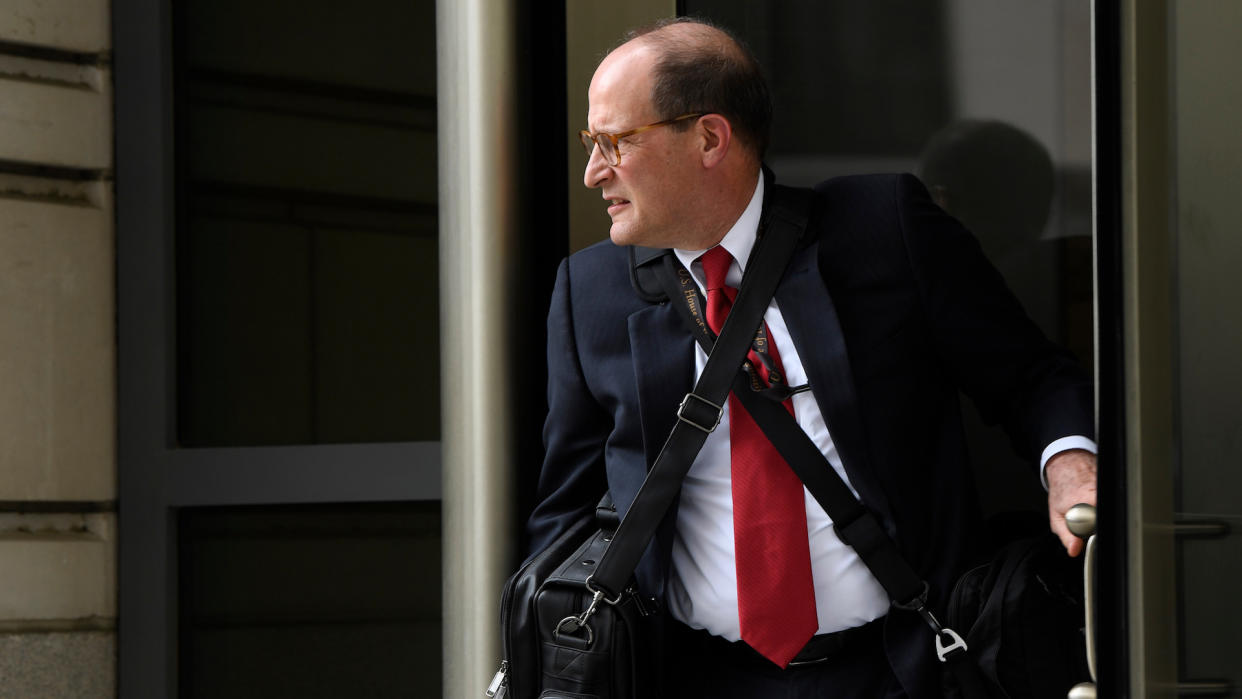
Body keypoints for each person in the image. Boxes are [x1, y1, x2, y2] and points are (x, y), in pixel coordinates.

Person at [526, 17, 1097, 699]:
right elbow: (563, 515)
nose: (594, 171)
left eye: (615, 141)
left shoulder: (883, 230)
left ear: (709, 137)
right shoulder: (589, 293)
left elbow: (1030, 376)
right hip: (691, 677)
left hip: (904, 665)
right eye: (593, 143)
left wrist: (1070, 463)